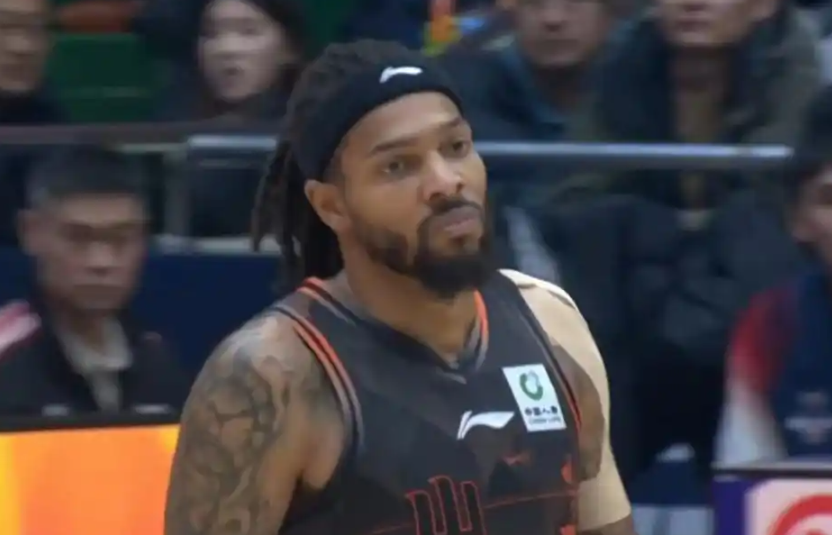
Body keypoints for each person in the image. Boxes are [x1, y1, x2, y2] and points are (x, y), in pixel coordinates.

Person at [164, 39, 634, 535]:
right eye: (398, 166)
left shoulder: (550, 321)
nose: (445, 181)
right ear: (331, 206)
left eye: (456, 147)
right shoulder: (270, 376)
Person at [0, 146, 188, 415]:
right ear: (30, 232)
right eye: (77, 237)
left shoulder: (157, 361)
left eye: (121, 238)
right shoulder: (7, 357)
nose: (101, 261)